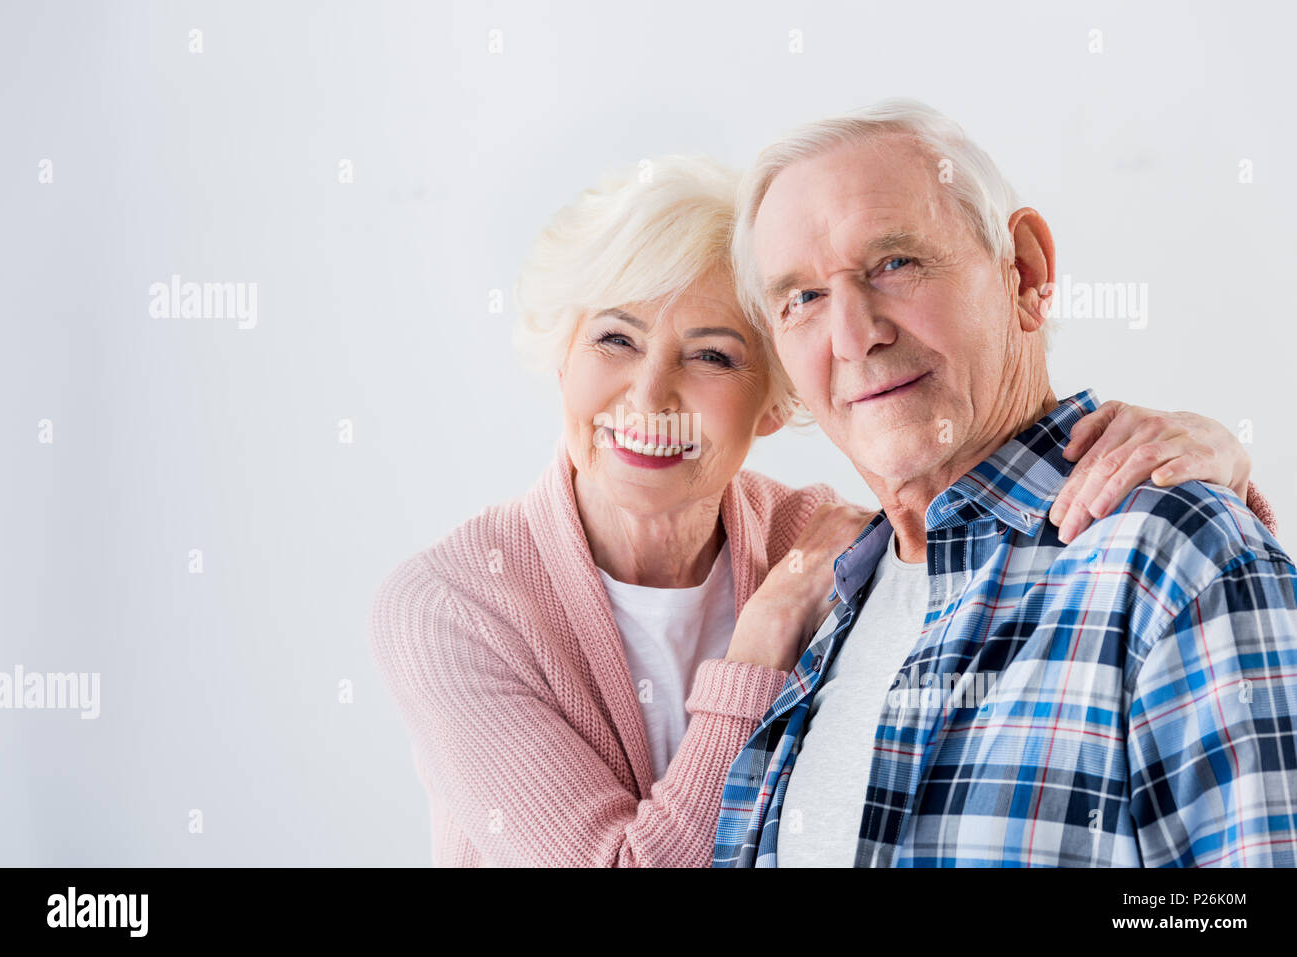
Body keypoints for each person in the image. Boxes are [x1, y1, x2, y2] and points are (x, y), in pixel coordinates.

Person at [369, 154, 1275, 867]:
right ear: (558, 353)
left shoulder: (841, 543)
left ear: (776, 399)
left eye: (714, 356)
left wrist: (1218, 468)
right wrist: (758, 644)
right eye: (614, 338)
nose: (650, 395)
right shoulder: (454, 605)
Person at [713, 98, 1295, 867]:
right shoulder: (827, 609)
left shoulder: (1176, 557)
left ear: (1025, 270)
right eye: (804, 299)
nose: (854, 335)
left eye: (895, 263)